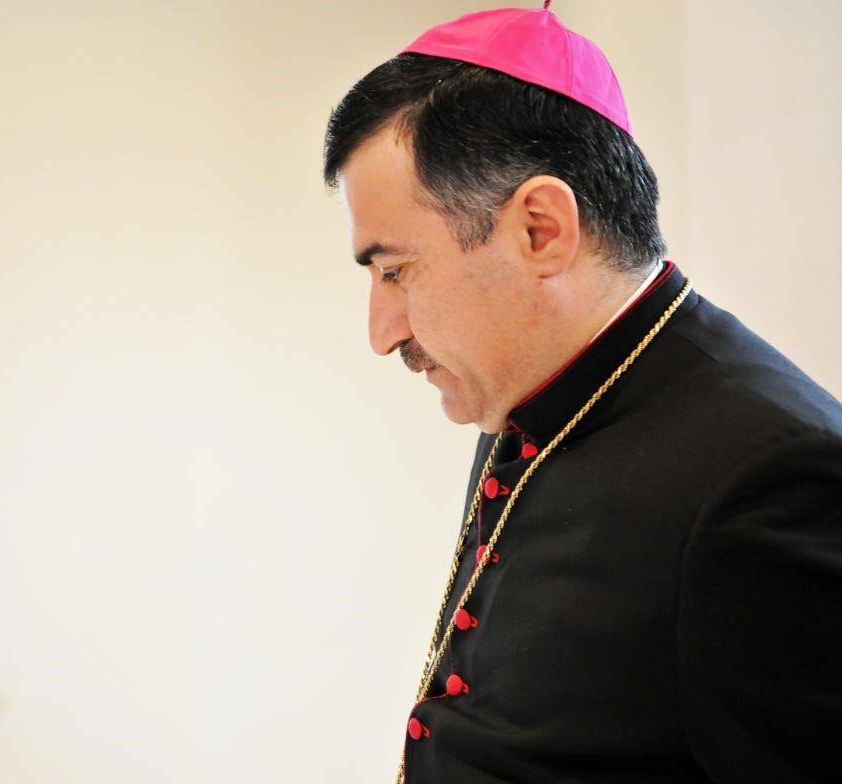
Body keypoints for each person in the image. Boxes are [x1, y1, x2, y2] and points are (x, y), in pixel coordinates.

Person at [322, 4, 842, 783]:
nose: (382, 332)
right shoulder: (534, 387)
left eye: (396, 270)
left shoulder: (773, 479)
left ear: (541, 229)